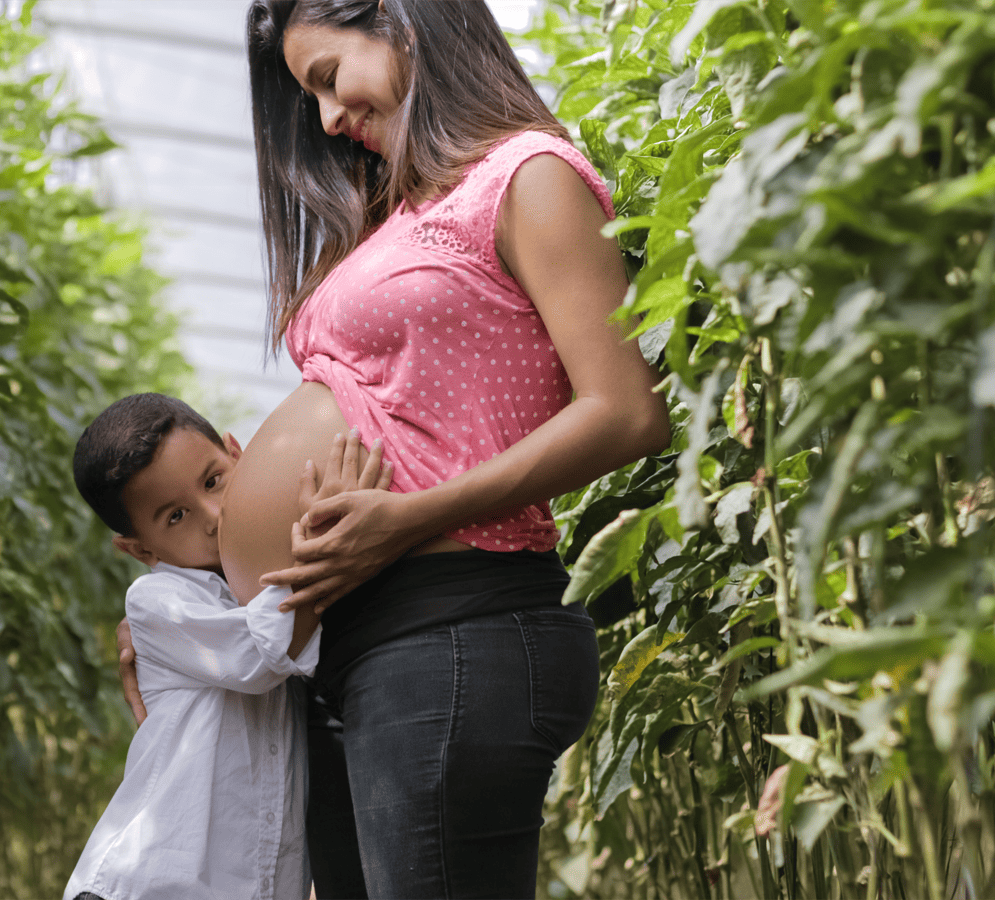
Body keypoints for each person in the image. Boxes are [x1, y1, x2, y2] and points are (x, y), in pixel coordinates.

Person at [122, 1, 671, 896]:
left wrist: (405, 520)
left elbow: (627, 412)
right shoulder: (405, 212)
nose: (330, 119)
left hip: (454, 626)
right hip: (359, 648)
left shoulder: (526, 174)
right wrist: (199, 618)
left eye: (330, 80)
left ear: (400, 20)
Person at [66, 393, 389, 900]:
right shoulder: (157, 601)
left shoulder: (254, 588)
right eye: (176, 516)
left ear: (240, 456)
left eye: (214, 480)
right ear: (141, 550)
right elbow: (261, 652)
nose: (213, 516)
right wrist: (329, 530)